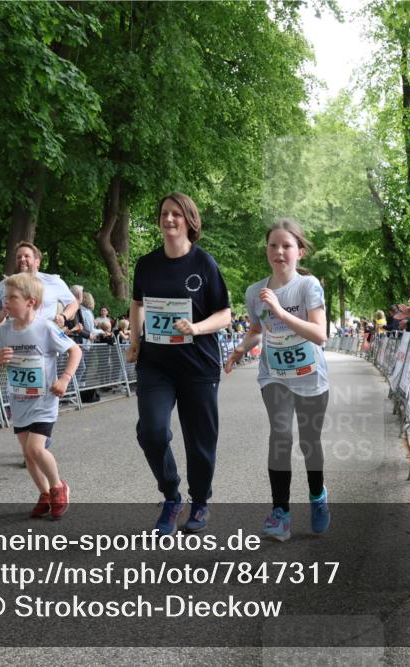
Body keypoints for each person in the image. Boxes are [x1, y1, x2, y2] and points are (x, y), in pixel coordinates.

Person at [127, 192, 232, 535]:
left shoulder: (204, 264)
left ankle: (200, 501)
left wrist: (197, 327)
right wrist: (134, 340)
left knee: (200, 440)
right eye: (164, 214)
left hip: (198, 365)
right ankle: (172, 495)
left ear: (189, 220)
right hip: (156, 364)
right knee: (152, 432)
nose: (169, 219)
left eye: (176, 214)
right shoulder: (146, 264)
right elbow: (137, 303)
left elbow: (225, 314)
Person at [224, 219, 330, 542]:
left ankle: (317, 495)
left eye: (286, 246)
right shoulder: (255, 292)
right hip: (274, 375)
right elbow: (257, 330)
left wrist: (282, 313)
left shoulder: (308, 287)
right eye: (273, 246)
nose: (279, 251)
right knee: (281, 436)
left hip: (310, 375)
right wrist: (241, 349)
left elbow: (320, 334)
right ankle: (280, 512)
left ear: (299, 251)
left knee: (309, 442)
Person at [0, 272, 81, 519]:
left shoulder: (45, 328)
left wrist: (64, 379)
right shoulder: (4, 330)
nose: (5, 302)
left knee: (36, 448)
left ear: (31, 301)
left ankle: (57, 486)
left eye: (12, 297)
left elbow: (75, 351)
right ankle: (44, 493)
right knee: (27, 453)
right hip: (19, 400)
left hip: (44, 400)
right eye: (4, 297)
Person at [0, 242, 77, 324]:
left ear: (37, 262)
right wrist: (3, 312)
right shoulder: (5, 284)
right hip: (14, 336)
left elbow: (73, 303)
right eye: (18, 257)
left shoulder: (52, 281)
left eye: (27, 256)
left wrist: (63, 316)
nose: (22, 259)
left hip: (44, 336)